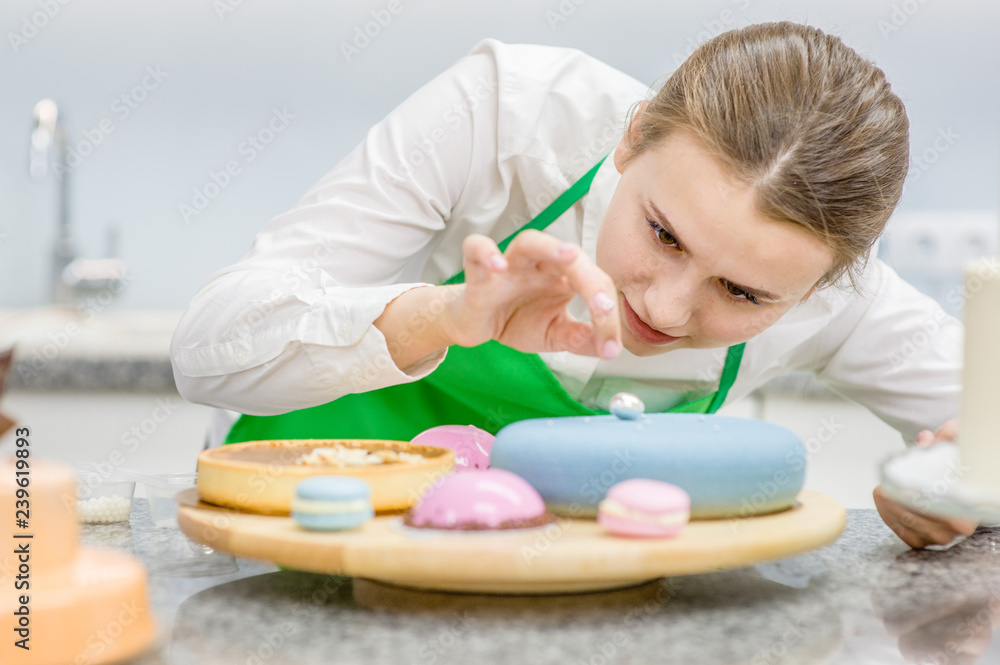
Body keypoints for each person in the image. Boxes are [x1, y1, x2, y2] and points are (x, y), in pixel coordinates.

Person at [170, 22, 974, 548]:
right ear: (632, 136)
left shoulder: (841, 297)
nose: (662, 308)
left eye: (743, 294)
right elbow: (208, 349)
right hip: (294, 556)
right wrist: (444, 315)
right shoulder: (504, 116)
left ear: (825, 285)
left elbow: (985, 439)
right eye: (663, 233)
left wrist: (957, 488)